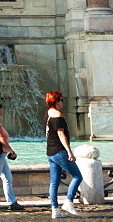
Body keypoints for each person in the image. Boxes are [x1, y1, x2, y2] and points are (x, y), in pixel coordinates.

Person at [45, 90, 83, 218]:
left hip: (50, 153)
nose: (62, 102)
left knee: (54, 183)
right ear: (56, 101)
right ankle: (68, 202)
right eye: (61, 100)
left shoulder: (48, 114)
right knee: (77, 176)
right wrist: (69, 151)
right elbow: (61, 135)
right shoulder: (58, 115)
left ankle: (55, 210)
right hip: (60, 152)